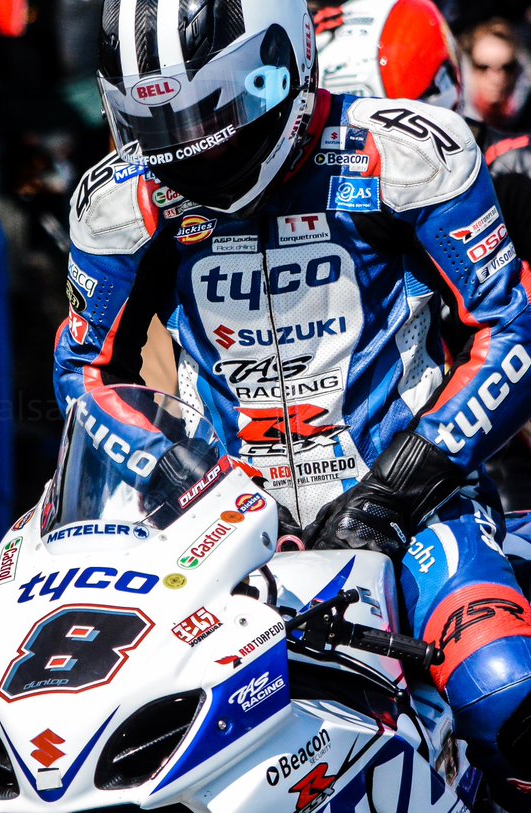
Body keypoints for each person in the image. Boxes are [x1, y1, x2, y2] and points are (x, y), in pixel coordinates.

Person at [56, 0, 531, 805]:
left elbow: (509, 332)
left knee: (502, 686)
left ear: (282, 63)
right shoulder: (118, 203)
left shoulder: (407, 152)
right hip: (222, 539)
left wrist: (393, 490)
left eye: (209, 111)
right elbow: (85, 375)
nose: (183, 143)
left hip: (417, 514)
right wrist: (179, 475)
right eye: (156, 120)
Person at [316, 0, 531, 512]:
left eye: (390, 119)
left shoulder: (511, 176)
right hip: (358, 470)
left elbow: (519, 330)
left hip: (483, 447)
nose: (374, 150)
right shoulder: (316, 193)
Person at [461, 17, 530, 130]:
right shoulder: (453, 123)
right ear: (469, 70)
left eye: (507, 68)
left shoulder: (527, 120)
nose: (496, 78)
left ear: (518, 72)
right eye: (483, 67)